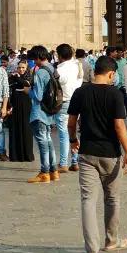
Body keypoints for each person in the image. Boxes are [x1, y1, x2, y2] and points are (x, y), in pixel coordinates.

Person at [67, 55, 127, 253]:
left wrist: (72, 139)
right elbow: (119, 126)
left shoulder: (80, 92)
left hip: (86, 153)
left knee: (88, 200)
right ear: (111, 74)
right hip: (110, 154)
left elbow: (71, 121)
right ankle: (111, 240)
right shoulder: (115, 94)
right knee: (112, 198)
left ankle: (91, 251)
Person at [25, 46, 59, 183]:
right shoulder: (52, 68)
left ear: (38, 57)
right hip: (49, 111)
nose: (34, 62)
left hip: (39, 111)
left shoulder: (40, 73)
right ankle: (54, 171)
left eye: (34, 58)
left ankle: (44, 172)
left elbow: (38, 96)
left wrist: (28, 91)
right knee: (48, 140)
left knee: (42, 143)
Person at [55, 44, 83, 172]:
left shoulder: (60, 70)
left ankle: (63, 163)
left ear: (59, 55)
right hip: (78, 100)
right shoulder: (77, 66)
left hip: (65, 102)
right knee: (73, 131)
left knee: (64, 134)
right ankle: (75, 161)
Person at [6, 59, 34, 162]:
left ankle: (27, 155)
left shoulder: (29, 77)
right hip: (15, 104)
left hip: (26, 104)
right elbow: (8, 87)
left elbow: (26, 84)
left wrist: (17, 78)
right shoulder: (13, 76)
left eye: (23, 68)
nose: (21, 69)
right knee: (15, 127)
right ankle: (15, 155)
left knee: (26, 127)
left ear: (26, 68)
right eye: (19, 67)